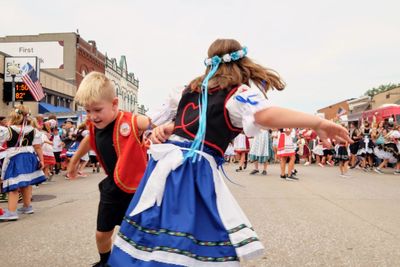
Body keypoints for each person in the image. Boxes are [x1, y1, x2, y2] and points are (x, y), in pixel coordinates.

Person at [107, 39, 351, 266]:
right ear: (242, 64)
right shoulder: (236, 95)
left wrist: (166, 127)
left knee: (155, 232)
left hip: (162, 169)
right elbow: (263, 114)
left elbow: (166, 122)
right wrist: (318, 122)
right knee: (189, 237)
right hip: (191, 171)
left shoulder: (190, 89)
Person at [66, 72, 150, 267]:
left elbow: (146, 122)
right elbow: (89, 140)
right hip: (113, 187)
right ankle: (105, 262)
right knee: (102, 232)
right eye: (87, 111)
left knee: (139, 232)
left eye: (97, 109)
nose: (92, 116)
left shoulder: (127, 121)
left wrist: (161, 127)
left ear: (114, 104)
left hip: (135, 188)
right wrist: (74, 160)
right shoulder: (95, 126)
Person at [0, 105, 45, 221]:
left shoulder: (8, 130)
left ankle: (11, 212)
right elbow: (38, 147)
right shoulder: (34, 130)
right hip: (30, 157)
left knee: (13, 185)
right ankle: (27, 206)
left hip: (15, 158)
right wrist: (42, 160)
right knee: (26, 182)